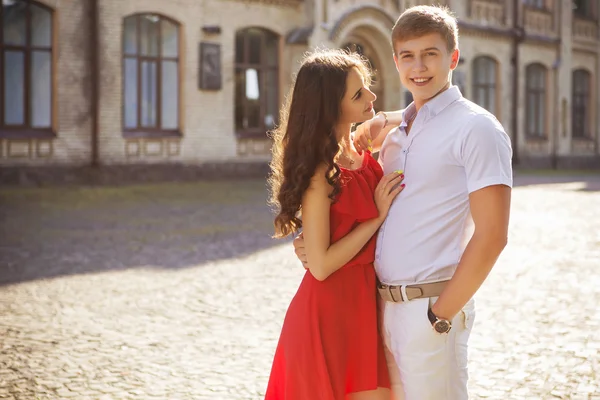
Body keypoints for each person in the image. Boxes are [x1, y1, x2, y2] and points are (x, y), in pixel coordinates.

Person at [293, 5, 513, 400]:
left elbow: (493, 236)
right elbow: (342, 191)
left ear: (453, 58)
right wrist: (309, 242)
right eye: (408, 56)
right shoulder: (395, 133)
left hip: (430, 310)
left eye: (431, 53)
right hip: (377, 311)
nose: (419, 66)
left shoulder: (477, 129)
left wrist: (440, 316)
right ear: (395, 61)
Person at [264, 49, 405, 400]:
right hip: (328, 314)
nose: (372, 97)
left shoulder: (360, 147)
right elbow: (323, 266)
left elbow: (423, 112)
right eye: (359, 95)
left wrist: (378, 119)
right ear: (331, 107)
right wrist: (377, 216)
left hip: (364, 306)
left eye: (367, 87)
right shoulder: (320, 172)